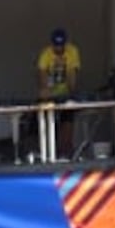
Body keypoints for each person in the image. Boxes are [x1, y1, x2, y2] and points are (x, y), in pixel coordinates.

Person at [34, 25, 82, 162]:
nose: (59, 49)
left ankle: (66, 152)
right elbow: (42, 77)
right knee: (49, 123)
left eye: (61, 46)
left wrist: (70, 95)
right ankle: (49, 154)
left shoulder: (72, 52)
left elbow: (73, 75)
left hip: (66, 94)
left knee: (67, 123)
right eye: (56, 46)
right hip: (50, 95)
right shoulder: (46, 54)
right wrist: (47, 95)